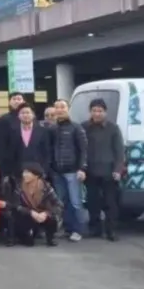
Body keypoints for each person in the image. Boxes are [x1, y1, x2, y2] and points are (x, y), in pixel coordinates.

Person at [42, 100, 87, 239]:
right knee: (62, 202)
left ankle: (78, 230)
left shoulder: (76, 127)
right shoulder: (52, 129)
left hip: (73, 171)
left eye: (63, 107)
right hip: (57, 172)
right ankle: (68, 228)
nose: (60, 110)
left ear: (68, 109)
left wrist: (82, 168)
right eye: (57, 107)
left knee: (76, 202)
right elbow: (48, 150)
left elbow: (83, 150)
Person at [83, 99, 125, 239]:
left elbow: (119, 151)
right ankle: (95, 229)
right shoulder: (84, 127)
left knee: (110, 203)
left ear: (105, 112)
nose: (97, 113)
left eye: (100, 111)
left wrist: (118, 170)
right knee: (92, 202)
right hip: (90, 171)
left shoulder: (113, 128)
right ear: (90, 112)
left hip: (109, 172)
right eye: (94, 110)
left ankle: (111, 230)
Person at [8, 166, 62, 246]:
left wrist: (46, 213)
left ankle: (51, 237)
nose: (24, 175)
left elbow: (58, 204)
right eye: (24, 172)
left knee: (53, 217)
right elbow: (16, 205)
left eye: (27, 173)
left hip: (42, 214)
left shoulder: (46, 187)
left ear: (36, 175)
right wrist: (31, 212)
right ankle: (25, 235)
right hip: (27, 214)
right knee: (29, 242)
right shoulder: (19, 187)